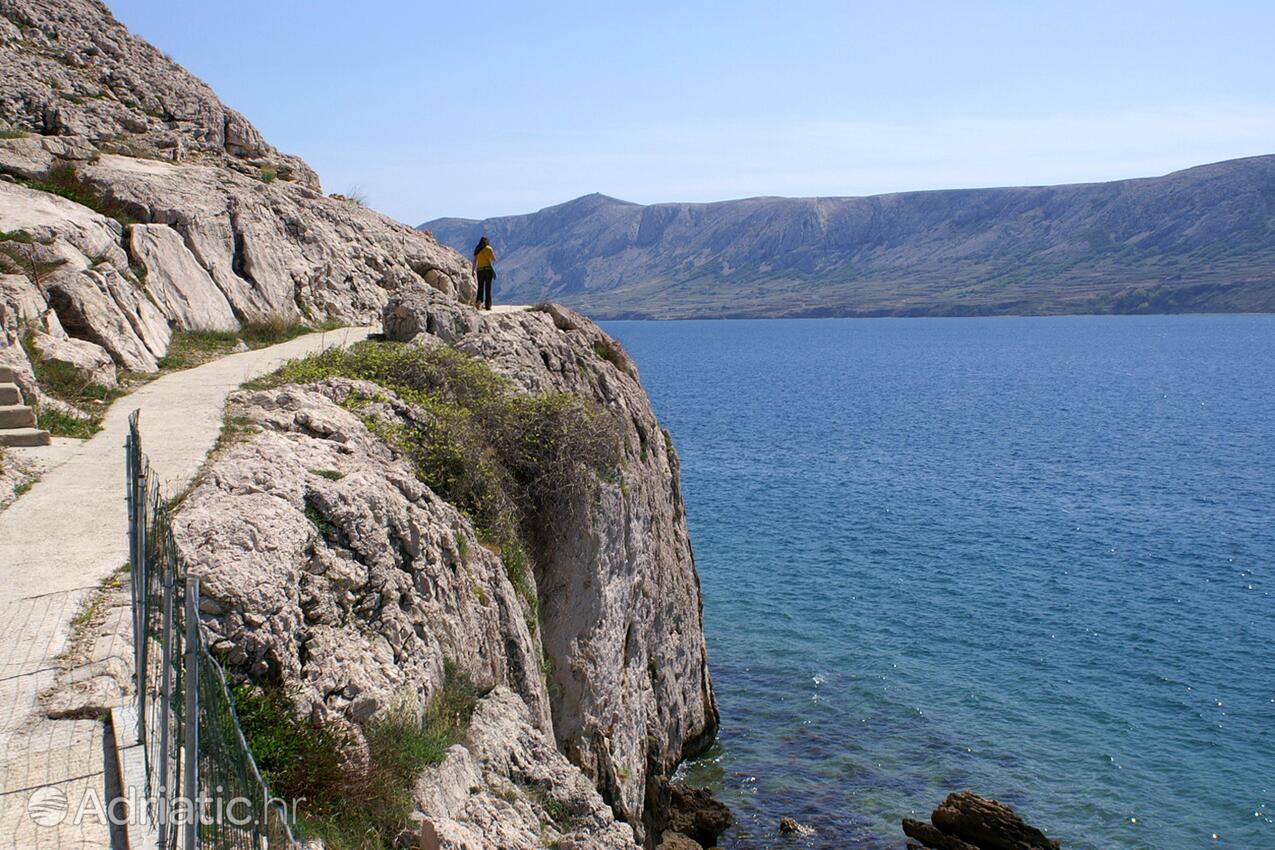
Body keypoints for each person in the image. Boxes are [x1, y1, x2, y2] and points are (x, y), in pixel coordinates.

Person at [473, 236, 496, 311]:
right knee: (488, 288)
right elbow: (493, 259)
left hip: (479, 271)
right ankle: (488, 306)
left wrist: (473, 270)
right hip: (487, 270)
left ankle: (478, 304)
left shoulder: (477, 249)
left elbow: (475, 261)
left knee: (480, 287)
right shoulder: (489, 248)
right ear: (486, 242)